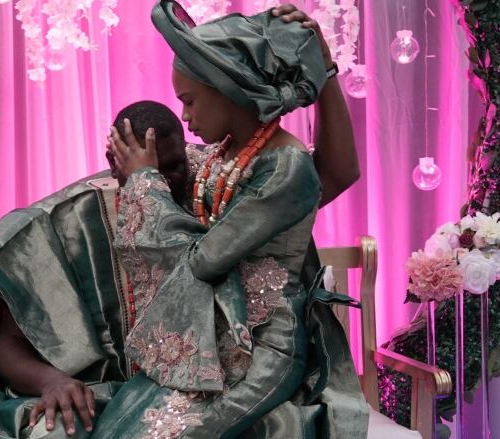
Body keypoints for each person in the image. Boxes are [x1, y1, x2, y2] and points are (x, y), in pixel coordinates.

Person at [0, 4, 362, 438]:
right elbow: (10, 344)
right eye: (147, 171)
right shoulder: (98, 208)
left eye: (188, 102)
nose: (186, 122)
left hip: (254, 357)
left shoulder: (256, 168)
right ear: (113, 161)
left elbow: (209, 253)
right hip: (194, 362)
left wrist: (321, 67)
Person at [95, 1, 367, 437]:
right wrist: (132, 170)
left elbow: (203, 261)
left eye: (189, 101)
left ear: (227, 87)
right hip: (212, 343)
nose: (184, 117)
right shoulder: (221, 158)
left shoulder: (284, 166)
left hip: (263, 352)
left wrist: (145, 180)